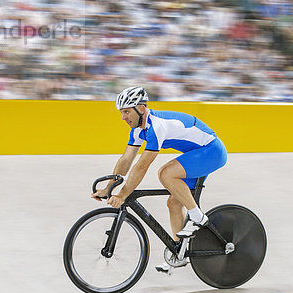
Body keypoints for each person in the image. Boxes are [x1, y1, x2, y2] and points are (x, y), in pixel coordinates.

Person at [92, 85, 227, 272]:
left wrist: (122, 195)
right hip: (195, 154)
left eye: (126, 112)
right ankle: (179, 254)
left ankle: (198, 217)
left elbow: (141, 166)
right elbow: (127, 159)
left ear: (140, 108)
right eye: (121, 113)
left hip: (211, 151)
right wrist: (109, 187)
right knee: (174, 202)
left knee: (166, 173)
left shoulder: (156, 126)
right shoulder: (138, 129)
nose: (123, 117)